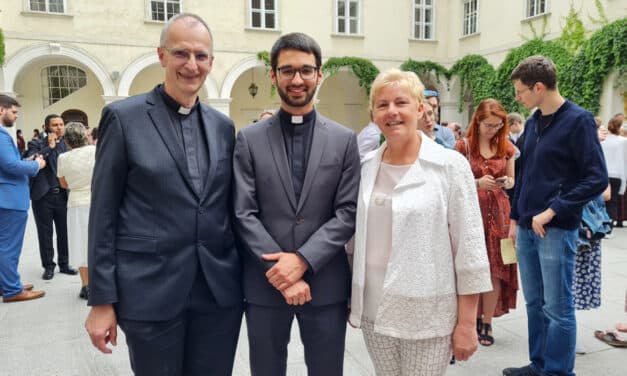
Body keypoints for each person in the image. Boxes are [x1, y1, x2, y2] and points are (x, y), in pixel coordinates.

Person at [84, 13, 243, 376]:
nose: (192, 65)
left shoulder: (223, 127)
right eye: (181, 54)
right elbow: (103, 213)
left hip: (217, 295)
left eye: (201, 56)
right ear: (161, 56)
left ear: (211, 62)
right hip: (150, 293)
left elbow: (227, 208)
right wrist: (102, 300)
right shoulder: (124, 118)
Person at [348, 69, 491, 375]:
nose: (392, 112)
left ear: (420, 108)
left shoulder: (449, 166)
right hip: (374, 310)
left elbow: (471, 250)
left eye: (401, 102)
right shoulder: (365, 167)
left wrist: (467, 323)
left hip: (428, 315)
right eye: (383, 105)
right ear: (373, 114)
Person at [233, 32, 360, 376]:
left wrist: (303, 260)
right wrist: (282, 274)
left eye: (306, 70)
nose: (297, 79)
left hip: (325, 282)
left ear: (320, 74)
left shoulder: (344, 140)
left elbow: (347, 212)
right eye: (287, 71)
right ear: (272, 76)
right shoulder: (249, 139)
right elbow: (243, 212)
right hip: (265, 284)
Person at [504, 55, 608, 376]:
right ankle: (540, 364)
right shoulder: (533, 122)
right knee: (535, 304)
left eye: (521, 91)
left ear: (538, 87)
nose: (518, 98)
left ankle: (558, 372)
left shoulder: (578, 121)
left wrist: (553, 210)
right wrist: (515, 217)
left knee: (558, 308)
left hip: (556, 228)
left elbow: (596, 178)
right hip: (525, 227)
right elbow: (524, 174)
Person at [454, 99, 518, 347]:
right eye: (489, 125)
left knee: (497, 270)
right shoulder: (463, 147)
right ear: (477, 122)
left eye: (498, 125)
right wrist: (477, 183)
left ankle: (487, 320)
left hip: (500, 213)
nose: (494, 129)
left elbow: (512, 179)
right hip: (471, 213)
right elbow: (454, 183)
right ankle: (469, 318)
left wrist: (506, 182)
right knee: (471, 266)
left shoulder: (507, 147)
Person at [0, 94, 46, 302]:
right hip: (9, 198)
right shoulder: (1, 135)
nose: (15, 116)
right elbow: (10, 166)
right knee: (9, 246)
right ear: (2, 109)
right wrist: (36, 165)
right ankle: (12, 289)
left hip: (5, 197)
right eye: (14, 112)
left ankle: (7, 283)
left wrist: (25, 160)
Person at [23, 114, 77, 280]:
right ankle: (48, 266)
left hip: (62, 195)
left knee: (64, 232)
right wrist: (49, 147)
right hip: (43, 196)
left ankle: (64, 263)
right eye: (55, 125)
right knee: (45, 233)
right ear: (46, 127)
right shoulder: (36, 143)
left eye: (61, 124)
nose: (59, 127)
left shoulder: (67, 144)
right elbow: (31, 162)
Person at [56, 122, 96, 300]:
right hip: (96, 200)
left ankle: (86, 286)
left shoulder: (63, 158)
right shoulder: (96, 151)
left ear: (67, 141)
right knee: (98, 241)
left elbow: (63, 184)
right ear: (84, 136)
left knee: (80, 243)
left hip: (76, 202)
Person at [573, 185, 611, 354]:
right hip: (568, 224)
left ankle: (569, 336)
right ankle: (564, 335)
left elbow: (607, 192)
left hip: (589, 225)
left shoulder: (594, 159)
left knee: (572, 286)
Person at [601, 114, 627, 228]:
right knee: (613, 201)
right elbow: (624, 160)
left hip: (603, 173)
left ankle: (601, 224)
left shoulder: (602, 141)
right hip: (617, 174)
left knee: (602, 201)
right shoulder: (623, 141)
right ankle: (609, 226)